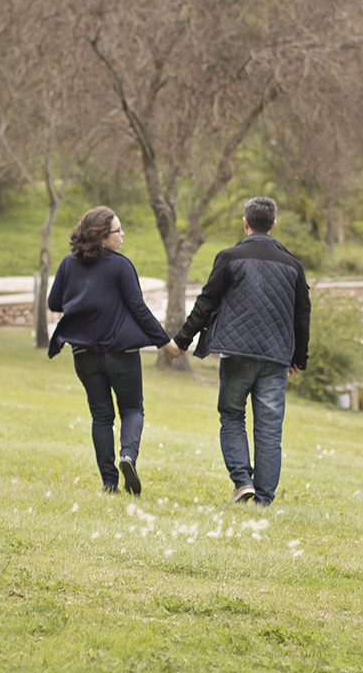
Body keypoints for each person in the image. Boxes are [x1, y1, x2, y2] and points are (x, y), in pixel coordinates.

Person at [173, 195, 309, 505]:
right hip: (276, 357)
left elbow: (205, 304)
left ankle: (242, 481)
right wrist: (298, 358)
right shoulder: (293, 265)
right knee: (269, 428)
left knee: (232, 415)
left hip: (235, 353)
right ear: (273, 225)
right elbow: (302, 315)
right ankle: (263, 498)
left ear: (245, 223)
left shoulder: (229, 258)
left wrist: (182, 341)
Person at [47, 206, 181, 495]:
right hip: (120, 354)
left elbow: (54, 302)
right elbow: (140, 310)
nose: (122, 235)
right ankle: (128, 456)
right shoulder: (121, 266)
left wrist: (84, 298)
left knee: (101, 417)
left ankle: (110, 483)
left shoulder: (67, 265)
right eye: (117, 231)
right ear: (101, 237)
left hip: (84, 355)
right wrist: (165, 343)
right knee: (132, 409)